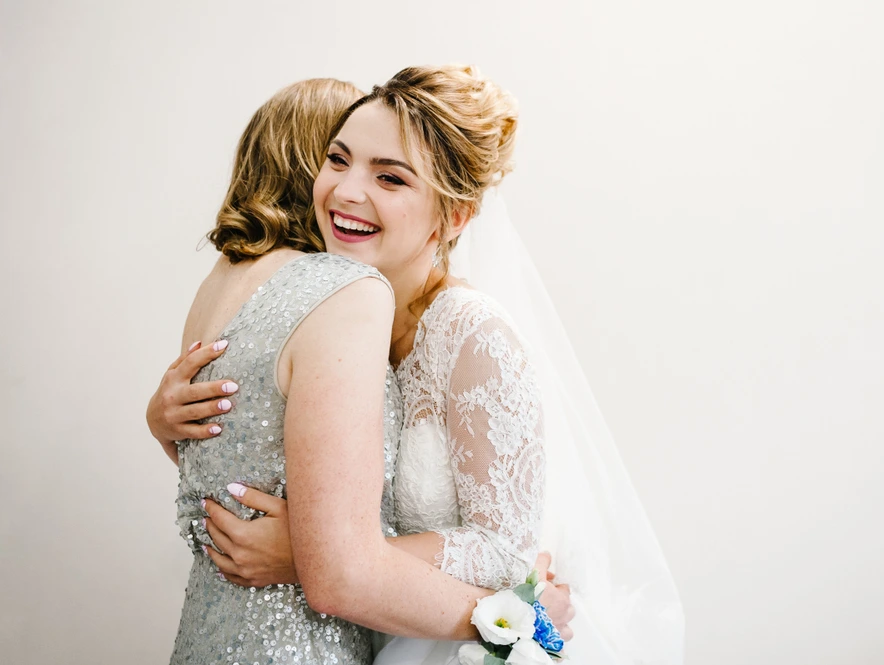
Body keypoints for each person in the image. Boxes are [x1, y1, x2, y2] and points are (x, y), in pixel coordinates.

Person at [152, 73, 574, 665]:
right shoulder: (333, 310)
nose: (346, 191)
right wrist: (167, 421)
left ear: (453, 217)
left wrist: (309, 553)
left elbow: (506, 550)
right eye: (337, 159)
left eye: (389, 177)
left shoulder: (473, 334)